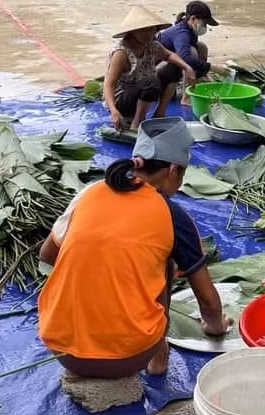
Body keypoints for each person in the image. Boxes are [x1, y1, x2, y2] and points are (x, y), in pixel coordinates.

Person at [38, 117, 231, 380]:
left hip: (60, 349)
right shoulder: (171, 214)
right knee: (164, 263)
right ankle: (158, 358)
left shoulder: (89, 193)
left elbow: (47, 255)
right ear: (173, 170)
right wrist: (215, 327)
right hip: (127, 357)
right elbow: (208, 302)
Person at [103, 6, 196, 130]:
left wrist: (187, 68)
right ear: (133, 31)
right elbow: (109, 85)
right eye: (144, 30)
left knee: (173, 68)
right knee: (151, 82)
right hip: (124, 100)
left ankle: (159, 113)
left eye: (151, 30)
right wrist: (114, 110)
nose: (149, 34)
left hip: (145, 91)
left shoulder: (152, 45)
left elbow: (169, 55)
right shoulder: (121, 53)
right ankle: (136, 124)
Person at [157, 1, 229, 94]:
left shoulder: (191, 30)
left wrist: (204, 72)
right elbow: (185, 58)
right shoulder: (181, 33)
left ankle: (199, 78)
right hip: (158, 75)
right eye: (204, 23)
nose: (205, 27)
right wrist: (212, 67)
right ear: (193, 18)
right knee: (191, 52)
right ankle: (187, 96)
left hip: (171, 65)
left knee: (201, 46)